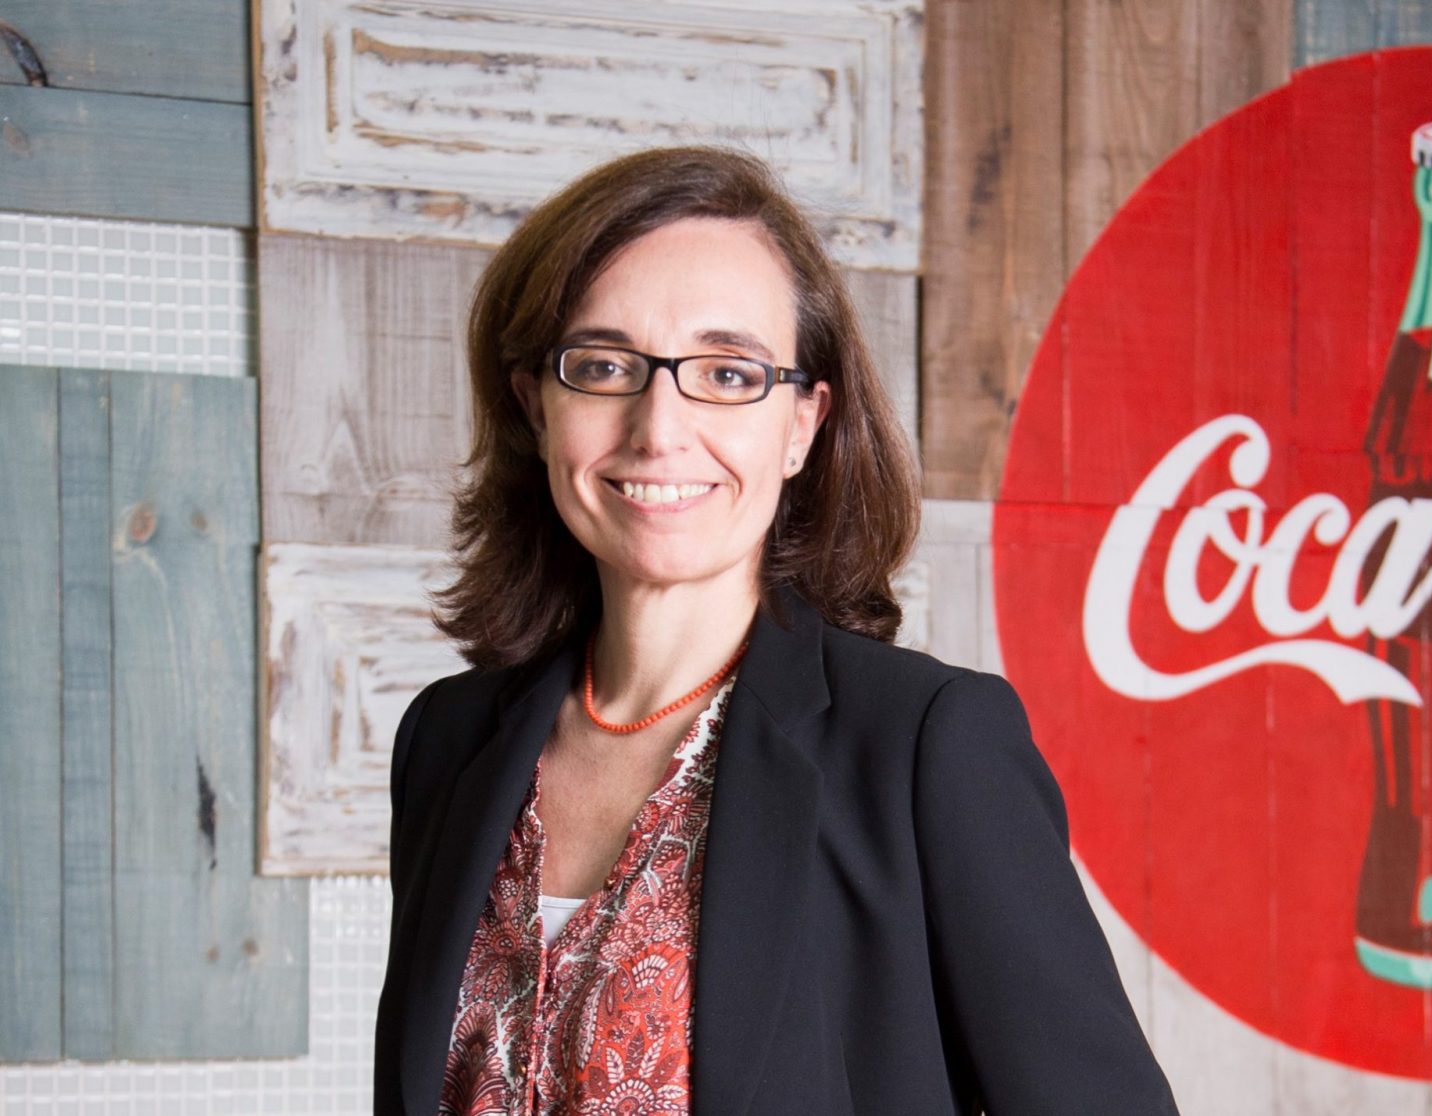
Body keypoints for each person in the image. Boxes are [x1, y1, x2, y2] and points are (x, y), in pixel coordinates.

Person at [371, 145, 1181, 1116]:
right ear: (535, 407)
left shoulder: (926, 746)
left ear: (802, 423)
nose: (658, 427)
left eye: (727, 372)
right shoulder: (448, 742)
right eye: (604, 366)